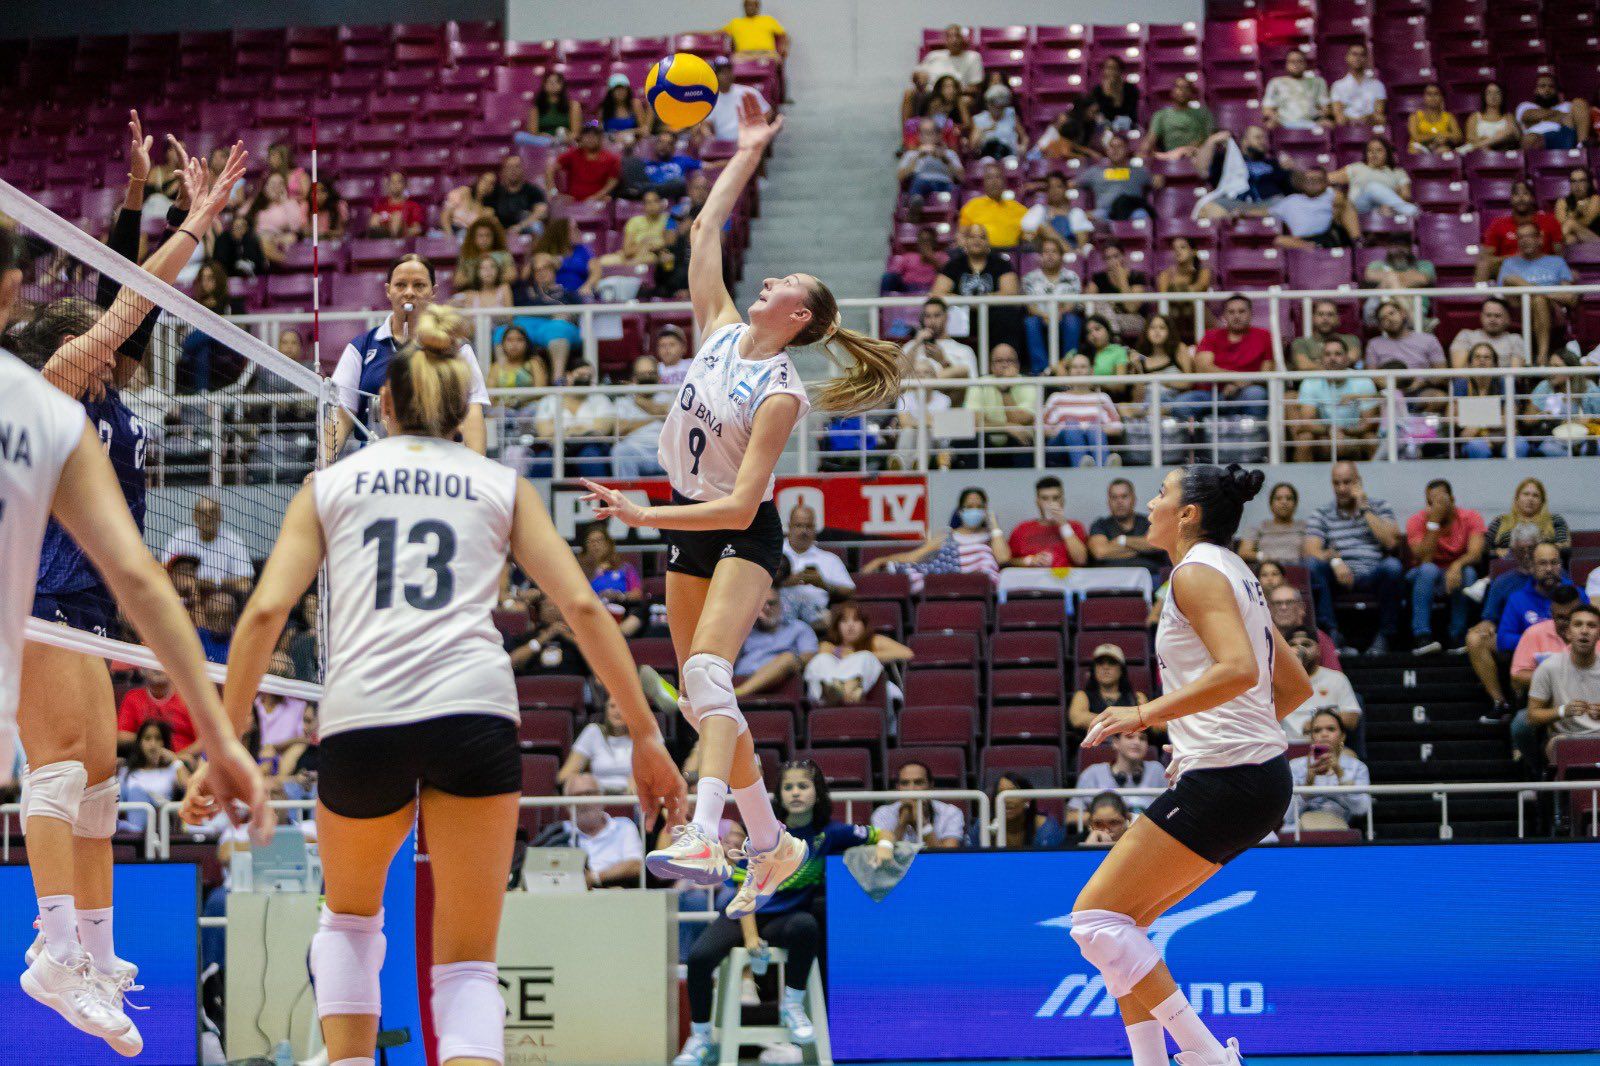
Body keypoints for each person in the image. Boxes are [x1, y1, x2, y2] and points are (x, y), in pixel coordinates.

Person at [181, 302, 685, 1066]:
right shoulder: (500, 484)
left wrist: (223, 744)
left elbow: (263, 617)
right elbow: (581, 605)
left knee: (349, 922)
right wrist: (646, 737)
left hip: (362, 717)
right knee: (468, 964)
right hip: (473, 713)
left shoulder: (331, 483)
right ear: (460, 411)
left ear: (382, 402)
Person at [579, 95, 904, 914]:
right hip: (687, 528)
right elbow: (701, 234)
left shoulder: (782, 393)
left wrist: (646, 519)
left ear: (798, 317)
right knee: (700, 697)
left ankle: (707, 828)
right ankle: (771, 846)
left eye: (784, 283)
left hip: (737, 533)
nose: (765, 280)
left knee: (708, 672)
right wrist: (747, 149)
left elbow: (741, 506)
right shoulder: (720, 328)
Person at [9, 135, 267, 1051]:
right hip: (35, 598)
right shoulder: (52, 389)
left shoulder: (106, 395)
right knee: (61, 769)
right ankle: (51, 945)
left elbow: (128, 305)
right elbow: (127, 306)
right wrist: (194, 226)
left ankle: (97, 951)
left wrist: (137, 207)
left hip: (88, 609)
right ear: (68, 349)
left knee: (103, 783)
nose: (105, 333)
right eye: (87, 329)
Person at [1072, 464, 1311, 1066]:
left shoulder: (1196, 574)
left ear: (1188, 514)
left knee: (1094, 919)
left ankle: (1207, 1057)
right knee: (1125, 926)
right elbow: (1294, 685)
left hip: (1232, 780)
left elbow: (1237, 670)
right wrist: (1205, 738)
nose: (1151, 502)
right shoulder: (1239, 575)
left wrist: (1146, 714)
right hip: (1253, 777)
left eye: (1162, 493)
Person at [676, 761, 885, 1066]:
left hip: (783, 919)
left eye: (803, 786)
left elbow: (880, 833)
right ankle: (702, 1038)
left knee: (806, 926)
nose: (795, 792)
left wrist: (886, 846)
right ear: (779, 795)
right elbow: (743, 889)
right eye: (788, 787)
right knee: (699, 958)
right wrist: (750, 938)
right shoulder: (764, 833)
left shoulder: (829, 834)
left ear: (818, 792)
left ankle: (793, 1003)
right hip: (744, 915)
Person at [327, 254, 491, 458]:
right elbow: (341, 416)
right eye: (401, 285)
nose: (409, 293)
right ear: (388, 290)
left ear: (433, 291)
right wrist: (321, 465)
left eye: (419, 285)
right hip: (376, 464)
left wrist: (477, 467)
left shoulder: (458, 348)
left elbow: (472, 413)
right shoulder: (361, 348)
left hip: (441, 460)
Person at [1303, 462, 1404, 654]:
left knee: (1392, 566)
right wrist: (1335, 561)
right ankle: (1332, 633)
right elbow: (1310, 550)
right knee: (1312, 565)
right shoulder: (1322, 513)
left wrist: (1364, 508)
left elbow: (1391, 543)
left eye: (1347, 482)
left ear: (1358, 482)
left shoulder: (1380, 506)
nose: (1341, 489)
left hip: (1372, 574)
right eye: (1336, 483)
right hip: (1338, 576)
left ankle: (1385, 636)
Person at [1465, 523, 1544, 719]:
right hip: (1513, 639)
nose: (1526, 554)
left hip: (1546, 640)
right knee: (1475, 638)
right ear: (1513, 552)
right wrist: (1485, 627)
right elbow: (1489, 619)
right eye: (1521, 549)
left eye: (1531, 549)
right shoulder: (1502, 582)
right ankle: (1500, 702)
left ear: (1539, 548)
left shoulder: (1552, 577)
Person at [862, 487, 1009, 585]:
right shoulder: (946, 536)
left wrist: (994, 525)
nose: (974, 511)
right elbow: (915, 556)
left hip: (979, 589)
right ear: (960, 511)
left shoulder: (992, 537)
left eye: (979, 507)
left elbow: (1002, 559)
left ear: (985, 510)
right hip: (946, 585)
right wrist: (881, 560)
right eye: (969, 507)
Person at [1405, 479, 1486, 654]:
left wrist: (1456, 566)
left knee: (1469, 573)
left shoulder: (1470, 517)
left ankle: (1457, 636)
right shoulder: (1417, 520)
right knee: (1429, 570)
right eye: (1430, 502)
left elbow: (1475, 554)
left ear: (1453, 499)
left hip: (1455, 572)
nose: (1436, 506)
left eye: (1440, 501)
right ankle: (1422, 637)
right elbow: (1424, 559)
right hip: (1423, 574)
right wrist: (1433, 522)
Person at [1521, 605, 1600, 769]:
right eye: (1578, 625)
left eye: (1591, 625)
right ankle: (1553, 791)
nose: (1584, 631)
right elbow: (1532, 715)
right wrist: (1564, 711)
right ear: (1568, 633)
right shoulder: (1549, 667)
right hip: (1565, 736)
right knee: (1557, 745)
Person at [542, 773, 645, 886]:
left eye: (589, 793)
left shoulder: (624, 826)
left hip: (616, 892)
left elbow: (636, 865)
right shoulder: (558, 833)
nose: (584, 801)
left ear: (603, 797)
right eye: (577, 796)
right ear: (566, 805)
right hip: (569, 896)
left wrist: (594, 878)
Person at [1290, 337, 1381, 462]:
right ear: (1321, 360)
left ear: (1347, 359)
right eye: (1327, 354)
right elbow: (1307, 421)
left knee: (1371, 439)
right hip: (1324, 436)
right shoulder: (1310, 381)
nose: (1332, 358)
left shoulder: (1363, 381)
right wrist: (1330, 430)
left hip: (1354, 435)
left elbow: (1369, 423)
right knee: (1304, 440)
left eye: (1338, 354)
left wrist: (1345, 431)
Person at [802, 602, 912, 704]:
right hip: (829, 695)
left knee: (865, 656)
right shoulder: (829, 646)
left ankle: (847, 690)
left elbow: (907, 653)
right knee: (821, 659)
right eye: (844, 621)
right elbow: (820, 665)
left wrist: (862, 655)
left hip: (868, 692)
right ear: (837, 626)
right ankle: (846, 693)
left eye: (856, 620)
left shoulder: (875, 640)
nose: (850, 625)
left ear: (864, 624)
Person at [1497, 221, 1577, 361]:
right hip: (1519, 309)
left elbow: (1570, 297)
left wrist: (1540, 295)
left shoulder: (1556, 262)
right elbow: (1503, 293)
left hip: (1553, 313)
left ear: (1539, 238)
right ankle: (1542, 357)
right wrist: (1545, 292)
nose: (1524, 241)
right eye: (1520, 237)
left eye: (1529, 236)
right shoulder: (1509, 263)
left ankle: (1541, 356)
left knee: (1539, 300)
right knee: (1511, 279)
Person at [1186, 294, 1272, 421]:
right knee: (1182, 403)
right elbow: (1203, 368)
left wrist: (1240, 385)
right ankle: (1198, 438)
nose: (1236, 316)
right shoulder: (1211, 335)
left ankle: (1254, 439)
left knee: (1256, 394)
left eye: (1241, 311)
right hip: (1210, 394)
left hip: (1246, 392)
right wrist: (1236, 379)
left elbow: (1267, 373)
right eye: (1231, 312)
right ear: (1224, 315)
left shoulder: (1264, 336)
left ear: (1250, 314)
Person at [1284, 710, 1370, 831]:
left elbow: (1362, 810)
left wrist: (1340, 774)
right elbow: (1287, 817)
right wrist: (1308, 784)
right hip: (1299, 830)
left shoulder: (1357, 767)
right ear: (1311, 737)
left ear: (1342, 736)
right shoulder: (1295, 766)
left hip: (1341, 829)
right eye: (1317, 730)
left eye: (1331, 729)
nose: (1324, 734)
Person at [1498, 542, 1586, 657]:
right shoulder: (1517, 600)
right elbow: (1504, 639)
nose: (1549, 569)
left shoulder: (1578, 595)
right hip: (1533, 661)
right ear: (1532, 567)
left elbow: (1592, 627)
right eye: (1542, 563)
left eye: (1554, 563)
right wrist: (1542, 641)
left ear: (1560, 565)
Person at [1279, 628, 1361, 741]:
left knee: (1350, 757)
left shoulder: (1336, 678)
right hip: (1286, 747)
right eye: (1293, 645)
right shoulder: (1276, 680)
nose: (1300, 649)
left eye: (1306, 644)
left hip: (1326, 746)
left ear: (1318, 649)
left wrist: (1319, 722)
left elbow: (1352, 718)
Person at [962, 344, 1038, 466]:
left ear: (1018, 365)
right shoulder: (980, 383)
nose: (1004, 365)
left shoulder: (1028, 384)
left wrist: (1005, 390)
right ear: (991, 366)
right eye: (999, 361)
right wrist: (1006, 427)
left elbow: (1021, 420)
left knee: (1023, 439)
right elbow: (973, 421)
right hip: (987, 439)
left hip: (1017, 442)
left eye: (1009, 360)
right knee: (972, 439)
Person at [780, 504, 855, 628]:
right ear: (789, 527)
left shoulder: (829, 559)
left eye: (808, 526)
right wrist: (785, 581)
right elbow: (755, 585)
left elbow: (850, 591)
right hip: (778, 616)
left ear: (815, 529)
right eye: (798, 525)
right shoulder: (774, 554)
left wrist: (822, 583)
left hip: (817, 619)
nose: (804, 531)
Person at [1043, 352, 1123, 467]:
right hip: (1061, 447)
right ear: (1069, 372)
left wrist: (1091, 429)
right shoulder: (1057, 397)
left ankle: (1099, 466)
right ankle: (1094, 467)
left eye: (1083, 367)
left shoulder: (1102, 398)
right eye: (1074, 367)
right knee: (1072, 427)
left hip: (1094, 440)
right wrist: (1063, 429)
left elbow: (1118, 427)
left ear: (1091, 371)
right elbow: (1041, 427)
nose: (1078, 371)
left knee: (1094, 428)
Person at [1072, 729, 1165, 827]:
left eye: (1142, 738)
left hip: (1146, 836)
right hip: (1105, 837)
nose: (1137, 742)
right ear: (1116, 743)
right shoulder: (1093, 773)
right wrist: (1109, 819)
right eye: (1130, 737)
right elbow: (1071, 816)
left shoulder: (1157, 770)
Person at [1476, 180, 1563, 283]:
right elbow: (1487, 257)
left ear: (1533, 198)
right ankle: (1479, 297)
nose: (1521, 198)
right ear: (1511, 199)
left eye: (1525, 193)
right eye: (1516, 194)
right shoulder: (1498, 225)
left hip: (1543, 270)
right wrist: (1514, 258)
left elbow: (1559, 255)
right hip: (1511, 271)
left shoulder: (1550, 221)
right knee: (1484, 263)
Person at [162, 494, 253, 593]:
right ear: (195, 517)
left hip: (219, 596)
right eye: (202, 513)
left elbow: (245, 584)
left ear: (220, 516)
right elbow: (163, 575)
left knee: (222, 602)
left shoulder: (234, 541)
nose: (208, 517)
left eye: (213, 512)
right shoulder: (180, 539)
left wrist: (212, 583)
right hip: (186, 594)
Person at [1022, 238, 1085, 371]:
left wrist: (1060, 313)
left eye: (1054, 251)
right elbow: (1029, 306)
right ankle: (1042, 370)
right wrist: (1045, 315)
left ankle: (1069, 365)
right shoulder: (1029, 278)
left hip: (1064, 317)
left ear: (1061, 256)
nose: (1050, 255)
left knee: (1072, 321)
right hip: (1039, 317)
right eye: (1046, 251)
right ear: (1040, 255)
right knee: (1030, 322)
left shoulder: (1072, 277)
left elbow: (1073, 303)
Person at [871, 759, 965, 846]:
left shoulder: (951, 813)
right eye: (905, 783)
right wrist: (902, 824)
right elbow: (883, 857)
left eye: (918, 782)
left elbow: (948, 857)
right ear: (898, 788)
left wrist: (923, 825)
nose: (911, 789)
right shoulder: (882, 814)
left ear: (930, 786)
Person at [558, 696, 636, 794]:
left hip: (633, 799)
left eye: (623, 707)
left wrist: (641, 781)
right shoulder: (593, 732)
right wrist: (584, 782)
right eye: (612, 706)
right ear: (606, 710)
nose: (617, 712)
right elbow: (564, 776)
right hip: (596, 797)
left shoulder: (644, 738)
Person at [578, 524, 645, 638]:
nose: (595, 545)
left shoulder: (624, 567)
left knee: (641, 609)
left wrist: (620, 596)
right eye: (591, 541)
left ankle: (616, 635)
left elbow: (637, 594)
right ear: (585, 546)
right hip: (595, 610)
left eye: (599, 540)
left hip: (621, 609)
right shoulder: (580, 570)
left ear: (608, 544)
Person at [1089, 479, 1168, 575]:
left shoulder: (1150, 521)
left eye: (1124, 496)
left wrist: (1122, 540)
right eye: (1114, 497)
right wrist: (1141, 549)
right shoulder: (1100, 525)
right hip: (1109, 582)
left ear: (1134, 499)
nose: (1119, 501)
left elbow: (1159, 544)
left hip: (1151, 581)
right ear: (1108, 502)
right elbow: (1100, 552)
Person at [610, 354, 672, 478]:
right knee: (620, 451)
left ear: (659, 377)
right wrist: (656, 416)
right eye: (642, 374)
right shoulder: (623, 401)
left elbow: (675, 422)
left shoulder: (670, 396)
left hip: (667, 451)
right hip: (636, 450)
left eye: (651, 373)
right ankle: (628, 494)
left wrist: (638, 401)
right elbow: (620, 430)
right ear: (634, 378)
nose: (647, 377)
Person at [1009, 476, 1090, 569]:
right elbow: (1009, 562)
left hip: (1064, 580)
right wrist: (1030, 561)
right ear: (1037, 502)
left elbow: (1081, 560)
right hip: (1031, 581)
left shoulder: (1075, 527)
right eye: (1045, 498)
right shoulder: (1022, 529)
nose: (1050, 503)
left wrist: (1063, 524)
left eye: (1055, 498)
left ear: (1063, 500)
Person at [1271, 166, 1360, 249]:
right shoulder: (1291, 200)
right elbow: (1266, 212)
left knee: (1346, 206)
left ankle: (1358, 242)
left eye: (1317, 179)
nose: (1312, 182)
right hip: (1300, 242)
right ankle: (1313, 248)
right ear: (1302, 182)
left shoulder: (1331, 194)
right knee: (1280, 240)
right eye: (1308, 179)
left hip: (1326, 237)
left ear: (1326, 182)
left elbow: (1341, 201)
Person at [116, 667, 198, 756]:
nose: (157, 668)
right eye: (152, 664)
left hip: (184, 761)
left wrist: (177, 758)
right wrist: (151, 741)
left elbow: (204, 740)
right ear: (142, 670)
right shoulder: (133, 698)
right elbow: (121, 736)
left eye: (161, 664)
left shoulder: (188, 699)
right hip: (144, 760)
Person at [1068, 642, 1149, 732]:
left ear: (1121, 669)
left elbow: (1152, 723)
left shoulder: (1137, 697)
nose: (1106, 667)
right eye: (1100, 663)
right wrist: (1125, 721)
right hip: (1095, 745)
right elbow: (1077, 720)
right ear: (1093, 669)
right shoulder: (1082, 696)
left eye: (1112, 663)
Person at [1077, 134, 1158, 222]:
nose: (1115, 150)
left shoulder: (1138, 171)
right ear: (1107, 150)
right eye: (1112, 146)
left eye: (1119, 146)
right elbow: (1072, 184)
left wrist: (1159, 178)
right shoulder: (1095, 171)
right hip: (1105, 213)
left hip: (1130, 212)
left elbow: (1156, 181)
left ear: (1127, 149)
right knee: (1084, 216)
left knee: (1141, 214)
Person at [1334, 136, 1418, 219]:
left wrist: (1389, 204)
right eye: (1370, 150)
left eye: (1379, 150)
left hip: (1386, 210)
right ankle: (1414, 212)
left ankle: (1409, 212)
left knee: (1388, 208)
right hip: (1358, 207)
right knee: (1372, 187)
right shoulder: (1356, 167)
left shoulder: (1398, 172)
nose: (1374, 153)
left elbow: (1406, 196)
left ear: (1387, 153)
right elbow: (1327, 178)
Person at [1485, 476, 1571, 557]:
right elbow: (1484, 549)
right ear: (1517, 498)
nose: (1530, 499)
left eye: (1535, 495)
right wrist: (1496, 552)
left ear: (1542, 501)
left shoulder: (1555, 520)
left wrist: (1514, 551)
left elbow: (1564, 547)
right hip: (1507, 566)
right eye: (1526, 494)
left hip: (1545, 567)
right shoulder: (1501, 521)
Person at [975, 772, 1067, 846]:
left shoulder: (1046, 829)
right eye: (1000, 793)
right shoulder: (982, 826)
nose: (1006, 800)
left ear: (1027, 799)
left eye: (1012, 793)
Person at [958, 162, 1028, 249]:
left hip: (1010, 255)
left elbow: (1029, 237)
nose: (994, 181)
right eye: (989, 178)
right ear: (984, 183)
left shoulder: (1019, 209)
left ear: (1004, 182)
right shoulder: (972, 206)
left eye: (998, 177)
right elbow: (961, 236)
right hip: (982, 256)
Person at [547, 123, 621, 203]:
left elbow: (613, 181)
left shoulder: (611, 158)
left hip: (598, 202)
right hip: (573, 202)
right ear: (581, 138)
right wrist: (553, 190)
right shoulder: (572, 154)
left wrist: (597, 196)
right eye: (587, 135)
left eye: (594, 135)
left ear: (600, 138)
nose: (590, 138)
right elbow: (550, 169)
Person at [705, 56, 774, 141]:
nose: (727, 75)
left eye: (729, 71)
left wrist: (757, 131)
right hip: (721, 146)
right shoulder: (710, 99)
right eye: (722, 73)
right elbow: (706, 124)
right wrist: (709, 138)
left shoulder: (748, 92)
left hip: (749, 141)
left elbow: (767, 112)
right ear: (715, 76)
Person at [1021, 172, 1095, 251]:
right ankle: (1068, 252)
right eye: (1050, 187)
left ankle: (1069, 253)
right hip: (1045, 255)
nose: (1054, 190)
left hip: (1072, 258)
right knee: (1043, 227)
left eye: (1058, 186)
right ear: (1046, 191)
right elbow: (1027, 236)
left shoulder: (1076, 213)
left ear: (1066, 188)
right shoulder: (1038, 210)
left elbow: (1082, 245)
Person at [1142, 79, 1216, 159]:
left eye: (1186, 88)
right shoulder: (1161, 115)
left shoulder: (1203, 113)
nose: (1182, 91)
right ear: (1172, 91)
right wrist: (1144, 152)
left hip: (1198, 156)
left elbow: (1209, 138)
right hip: (1171, 157)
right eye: (1179, 87)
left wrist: (1188, 149)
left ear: (1191, 93)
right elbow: (1150, 140)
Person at [1517, 73, 1592, 151]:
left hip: (1563, 136)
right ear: (1535, 90)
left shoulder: (1566, 105)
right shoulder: (1526, 105)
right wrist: (1560, 116)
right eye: (1542, 86)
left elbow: (1574, 120)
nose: (1547, 90)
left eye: (1551, 86)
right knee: (1529, 139)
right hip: (1536, 138)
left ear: (1557, 91)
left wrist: (1541, 119)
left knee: (1579, 102)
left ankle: (1582, 147)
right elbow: (1529, 116)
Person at [1236, 483, 1305, 567]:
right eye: (1278, 498)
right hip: (1267, 571)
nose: (1284, 502)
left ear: (1295, 503)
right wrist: (1262, 556)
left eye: (1289, 498)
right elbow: (1243, 552)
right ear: (1271, 504)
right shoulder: (1258, 527)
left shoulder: (1304, 528)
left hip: (1297, 571)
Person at [1449, 297, 1528, 369]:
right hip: (1469, 383)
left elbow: (1515, 375)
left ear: (1507, 319)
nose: (1492, 319)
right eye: (1488, 315)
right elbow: (1459, 371)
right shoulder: (1465, 335)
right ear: (1481, 316)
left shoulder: (1515, 339)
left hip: (1502, 384)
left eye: (1497, 316)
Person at [1261, 48, 1330, 130]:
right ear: (1286, 64)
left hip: (1312, 123)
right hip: (1283, 124)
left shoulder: (1318, 82)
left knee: (1329, 125)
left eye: (1300, 61)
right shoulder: (1275, 83)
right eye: (1292, 62)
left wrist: (1322, 117)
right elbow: (1267, 109)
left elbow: (1325, 108)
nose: (1296, 65)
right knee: (1269, 125)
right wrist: (1274, 119)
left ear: (1305, 64)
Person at [911, 24, 984, 100]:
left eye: (957, 36)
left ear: (963, 39)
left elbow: (975, 87)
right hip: (930, 94)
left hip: (957, 94)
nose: (954, 40)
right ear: (945, 40)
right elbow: (916, 75)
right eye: (950, 36)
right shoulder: (933, 55)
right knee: (909, 93)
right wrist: (918, 76)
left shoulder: (973, 57)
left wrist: (952, 91)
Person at [899, 117, 963, 199]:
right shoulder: (911, 154)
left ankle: (947, 207)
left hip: (943, 183)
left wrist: (945, 159)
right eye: (924, 133)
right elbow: (900, 177)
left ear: (939, 135)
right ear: (919, 136)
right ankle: (916, 205)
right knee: (918, 184)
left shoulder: (949, 154)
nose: (927, 137)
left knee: (952, 190)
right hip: (921, 182)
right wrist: (916, 158)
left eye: (931, 133)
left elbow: (961, 178)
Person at [486, 154, 548, 236]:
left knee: (537, 225)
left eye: (517, 167)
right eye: (510, 167)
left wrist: (519, 227)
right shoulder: (494, 191)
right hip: (499, 232)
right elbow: (486, 212)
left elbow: (541, 212)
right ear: (503, 170)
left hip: (525, 231)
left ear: (523, 169)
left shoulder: (533, 190)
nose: (513, 170)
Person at [521, 69, 583, 145]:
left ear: (562, 85)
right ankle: (552, 143)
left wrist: (566, 139)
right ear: (544, 85)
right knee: (519, 136)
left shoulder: (573, 105)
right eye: (549, 82)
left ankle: (556, 143)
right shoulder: (536, 107)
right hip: (544, 142)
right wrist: (542, 136)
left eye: (556, 82)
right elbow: (533, 132)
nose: (553, 85)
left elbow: (575, 133)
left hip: (565, 141)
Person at [1330, 43, 1386, 125]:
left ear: (1366, 59)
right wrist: (1355, 121)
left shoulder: (1377, 85)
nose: (1358, 58)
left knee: (1381, 119)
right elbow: (1338, 115)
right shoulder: (1338, 86)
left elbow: (1378, 113)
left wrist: (1365, 119)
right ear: (1347, 57)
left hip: (1370, 125)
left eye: (1362, 55)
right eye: (1354, 54)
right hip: (1347, 127)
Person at [970, 84, 1028, 159]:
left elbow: (1025, 138)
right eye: (995, 106)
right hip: (987, 155)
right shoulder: (979, 119)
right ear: (988, 104)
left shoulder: (1011, 115)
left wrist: (1023, 147)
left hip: (1009, 154)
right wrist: (984, 130)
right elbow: (972, 146)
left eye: (1001, 107)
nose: (998, 110)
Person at [723, 0, 788, 62]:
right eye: (748, 5)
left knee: (775, 58)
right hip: (743, 55)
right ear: (744, 6)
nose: (750, 7)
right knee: (731, 60)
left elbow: (783, 36)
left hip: (766, 53)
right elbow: (720, 33)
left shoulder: (768, 20)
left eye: (753, 5)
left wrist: (783, 49)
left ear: (758, 7)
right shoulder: (735, 22)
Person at [366, 170, 424, 238]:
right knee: (375, 218)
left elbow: (417, 229)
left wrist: (402, 231)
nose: (395, 184)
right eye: (392, 182)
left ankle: (393, 245)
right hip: (381, 238)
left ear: (404, 185)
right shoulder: (380, 206)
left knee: (397, 216)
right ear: (388, 185)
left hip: (402, 241)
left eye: (399, 181)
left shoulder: (413, 206)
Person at [1089, 55, 1140, 132]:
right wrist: (1107, 93)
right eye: (1107, 68)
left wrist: (1115, 93)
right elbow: (1098, 112)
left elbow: (1128, 113)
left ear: (1120, 71)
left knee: (1122, 122)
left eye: (1114, 68)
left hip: (1125, 124)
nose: (1110, 72)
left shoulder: (1131, 88)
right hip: (1103, 126)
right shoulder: (1097, 90)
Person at [1465, 82, 1522, 151]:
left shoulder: (1508, 117)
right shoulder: (1475, 116)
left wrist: (1489, 140)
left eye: (1497, 93)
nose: (1493, 96)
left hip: (1502, 152)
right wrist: (1494, 140)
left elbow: (1515, 136)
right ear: (1484, 96)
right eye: (1489, 93)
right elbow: (1470, 139)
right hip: (1479, 153)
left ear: (1502, 96)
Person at [1407, 83, 1462, 153]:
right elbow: (1416, 137)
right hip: (1420, 148)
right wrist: (1436, 136)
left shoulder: (1449, 117)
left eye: (1436, 94)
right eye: (1429, 94)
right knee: (1414, 150)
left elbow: (1458, 136)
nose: (1432, 97)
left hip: (1439, 148)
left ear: (1442, 97)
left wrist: (1445, 136)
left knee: (1444, 150)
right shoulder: (1414, 117)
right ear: (1424, 97)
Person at [598, 73, 649, 140]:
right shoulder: (604, 108)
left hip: (632, 144)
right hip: (610, 144)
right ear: (611, 92)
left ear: (628, 90)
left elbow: (644, 130)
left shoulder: (635, 104)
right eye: (617, 89)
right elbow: (599, 130)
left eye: (623, 89)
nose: (620, 92)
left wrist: (625, 133)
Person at [1556, 167, 1600, 245]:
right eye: (1573, 181)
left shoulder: (1595, 199)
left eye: (1582, 181)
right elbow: (1560, 223)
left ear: (1589, 183)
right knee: (1570, 238)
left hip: (1596, 241)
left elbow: (1587, 221)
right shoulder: (1562, 201)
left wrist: (1572, 217)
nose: (1577, 185)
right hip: (1573, 238)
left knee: (1570, 223)